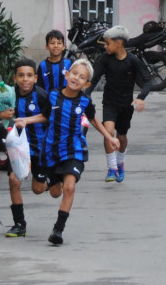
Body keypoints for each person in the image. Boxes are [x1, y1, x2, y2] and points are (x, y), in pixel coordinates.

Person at [14, 58, 120, 245]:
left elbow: (94, 120)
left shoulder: (85, 101)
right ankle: (57, 180)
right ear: (67, 74)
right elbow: (44, 116)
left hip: (73, 150)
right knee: (50, 192)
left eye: (82, 77)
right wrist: (26, 120)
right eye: (74, 74)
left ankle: (58, 230)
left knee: (70, 188)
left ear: (87, 84)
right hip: (50, 152)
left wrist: (109, 137)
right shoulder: (53, 96)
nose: (76, 78)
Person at [85, 26, 151, 183]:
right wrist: (85, 95)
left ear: (119, 43)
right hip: (109, 102)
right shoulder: (105, 59)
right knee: (108, 132)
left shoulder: (133, 60)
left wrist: (141, 97)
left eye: (108, 43)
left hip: (126, 105)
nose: (105, 47)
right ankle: (112, 167)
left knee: (121, 136)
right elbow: (93, 80)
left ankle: (120, 162)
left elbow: (148, 81)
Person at [0, 58, 51, 238]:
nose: (25, 79)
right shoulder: (10, 95)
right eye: (21, 76)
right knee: (14, 180)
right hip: (17, 147)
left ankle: (53, 180)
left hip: (39, 146)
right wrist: (1, 114)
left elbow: (48, 116)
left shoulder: (41, 95)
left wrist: (27, 120)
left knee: (38, 189)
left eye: (29, 76)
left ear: (35, 78)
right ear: (15, 78)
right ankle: (19, 224)